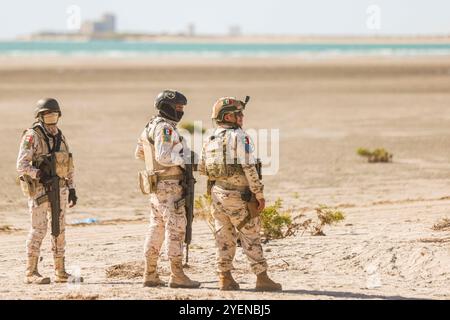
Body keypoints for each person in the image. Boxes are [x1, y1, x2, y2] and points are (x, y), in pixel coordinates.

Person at [199, 96, 282, 291]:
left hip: (218, 194)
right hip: (239, 196)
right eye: (239, 114)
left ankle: (224, 277)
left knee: (223, 236)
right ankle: (262, 278)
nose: (242, 117)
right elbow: (249, 167)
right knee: (250, 234)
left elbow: (203, 169)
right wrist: (259, 194)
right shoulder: (239, 136)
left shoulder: (209, 137)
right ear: (228, 116)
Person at [135, 90, 200, 288]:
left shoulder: (150, 126)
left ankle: (151, 272)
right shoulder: (165, 129)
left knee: (156, 228)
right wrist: (185, 160)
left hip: (157, 186)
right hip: (171, 186)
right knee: (176, 229)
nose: (180, 112)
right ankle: (177, 274)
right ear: (166, 107)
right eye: (177, 108)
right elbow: (163, 156)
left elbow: (139, 153)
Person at [17, 98, 82, 284]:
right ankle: (31, 272)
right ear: (40, 116)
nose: (52, 118)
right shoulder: (32, 136)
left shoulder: (60, 136)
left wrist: (71, 188)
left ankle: (60, 271)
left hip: (59, 189)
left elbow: (69, 164)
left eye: (54, 114)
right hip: (39, 189)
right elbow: (21, 165)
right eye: (48, 114)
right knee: (39, 229)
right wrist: (39, 174)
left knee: (59, 230)